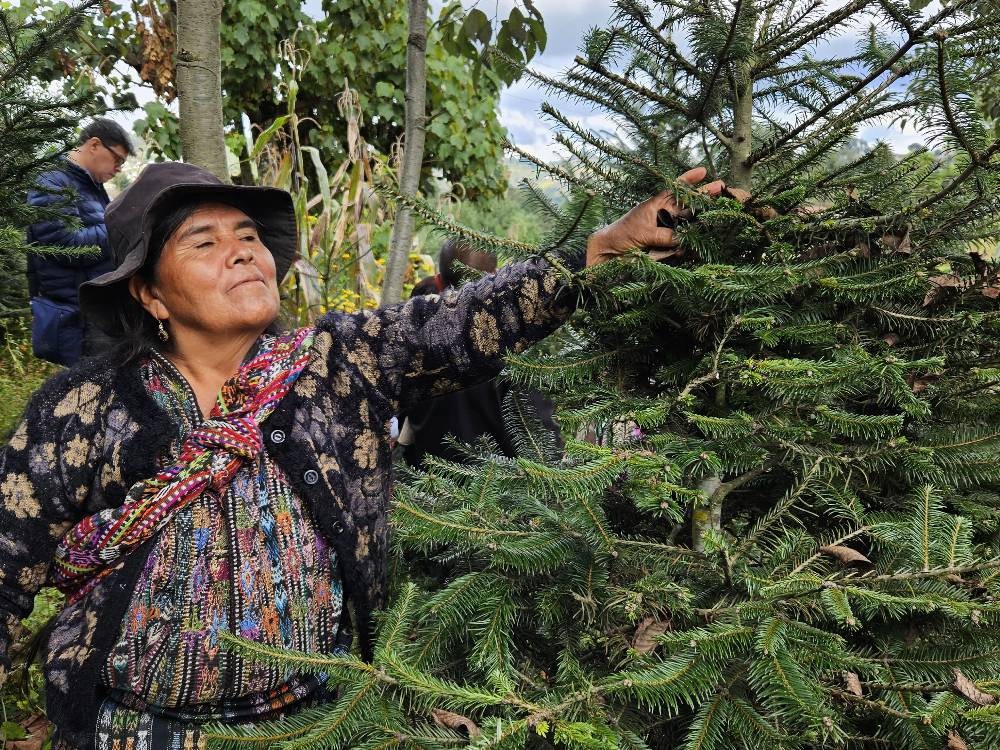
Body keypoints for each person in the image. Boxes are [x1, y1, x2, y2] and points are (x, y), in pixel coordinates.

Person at [0, 161, 722, 749]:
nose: (243, 250)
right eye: (204, 242)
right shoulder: (82, 410)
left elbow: (464, 319)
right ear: (150, 294)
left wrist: (599, 252)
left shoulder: (336, 365)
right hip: (133, 732)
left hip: (318, 724)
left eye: (248, 234)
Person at [399, 238, 563, 466]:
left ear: (438, 280)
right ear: (495, 277)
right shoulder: (514, 347)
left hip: (426, 479)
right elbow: (544, 444)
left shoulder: (411, 339)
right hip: (495, 484)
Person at [26, 118, 134, 365]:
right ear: (94, 145)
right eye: (117, 159)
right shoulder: (52, 183)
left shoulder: (91, 186)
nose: (118, 169)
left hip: (98, 311)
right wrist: (118, 225)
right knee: (91, 384)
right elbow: (65, 246)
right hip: (79, 319)